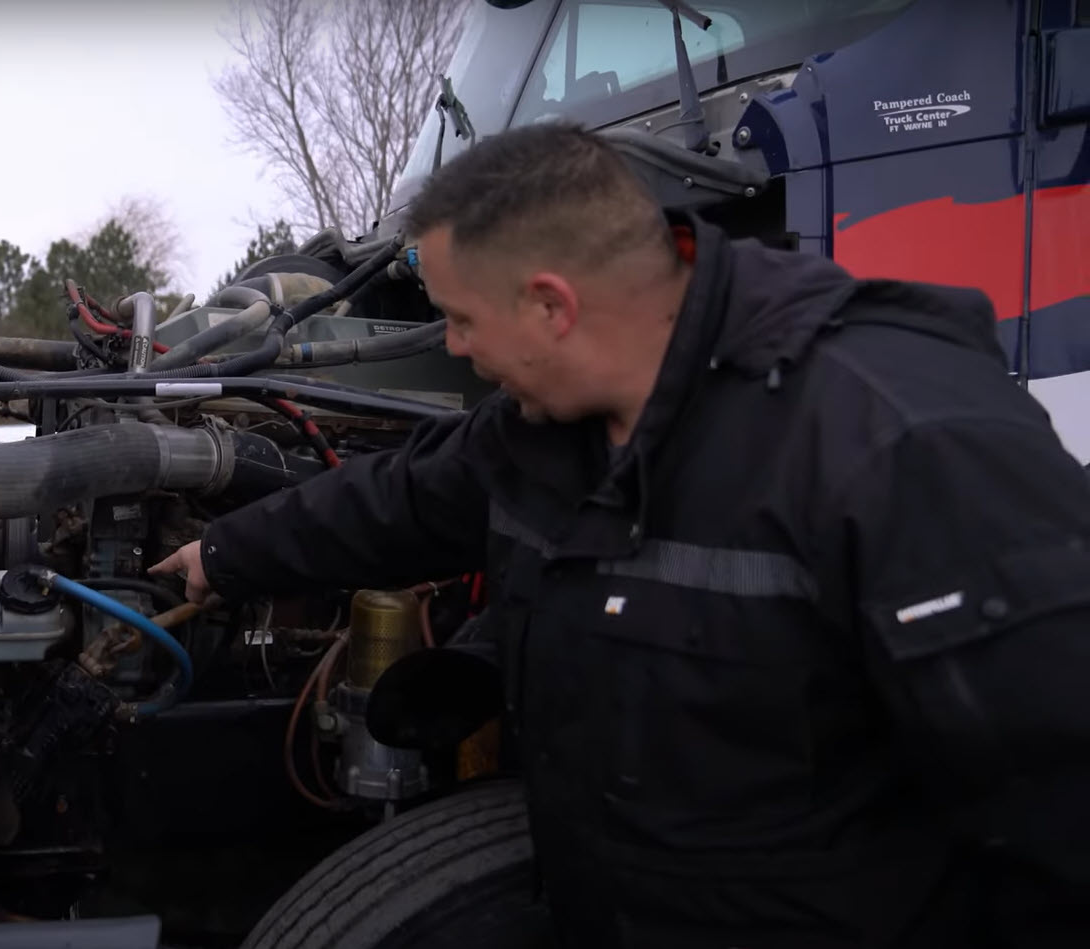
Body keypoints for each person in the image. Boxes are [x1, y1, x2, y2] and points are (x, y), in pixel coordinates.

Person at [154, 122, 1090, 947]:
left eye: (463, 320)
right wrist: (224, 556)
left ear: (552, 307)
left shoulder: (903, 445)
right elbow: (398, 501)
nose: (454, 348)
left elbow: (1058, 809)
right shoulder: (545, 427)